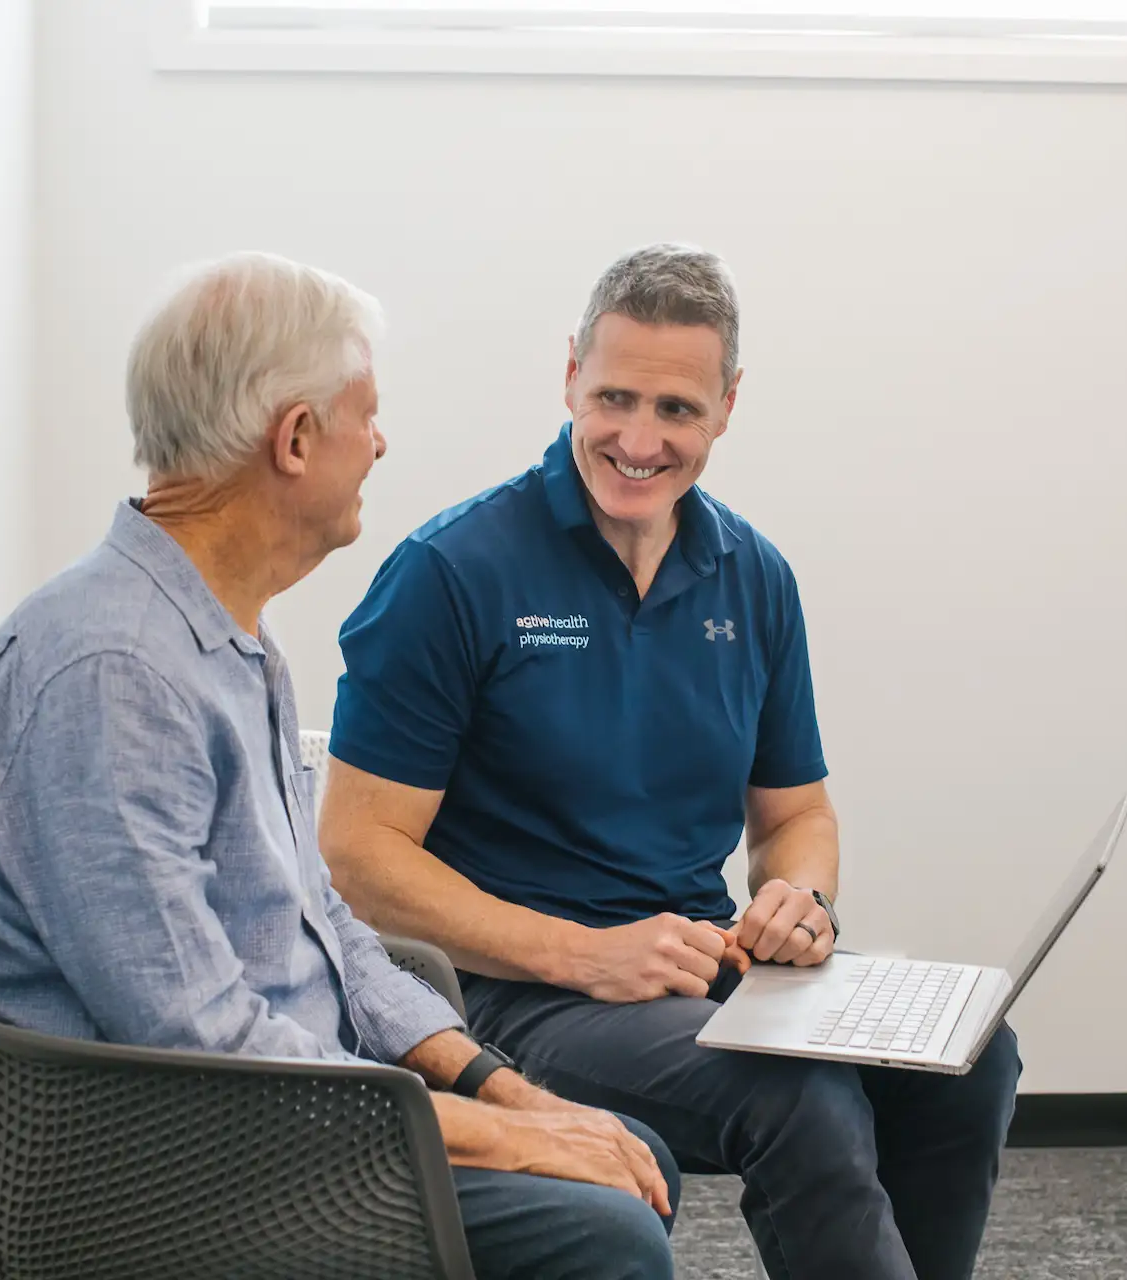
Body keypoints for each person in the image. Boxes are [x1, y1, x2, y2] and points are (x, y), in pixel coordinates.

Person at [0, 252, 680, 1280]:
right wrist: (492, 1133)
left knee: (631, 1158)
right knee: (607, 1227)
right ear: (293, 438)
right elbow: (197, 1040)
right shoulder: (112, 675)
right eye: (364, 415)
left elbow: (325, 928)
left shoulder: (224, 639)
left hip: (287, 1119)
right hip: (175, 1173)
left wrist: (500, 1087)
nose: (379, 442)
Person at [320, 244, 1020, 1280]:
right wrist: (580, 954)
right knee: (802, 1096)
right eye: (613, 397)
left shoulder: (753, 576)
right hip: (519, 996)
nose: (638, 440)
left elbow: (795, 813)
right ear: (569, 375)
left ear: (728, 405)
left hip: (705, 972)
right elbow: (357, 852)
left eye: (677, 410)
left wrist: (801, 896)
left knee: (970, 1056)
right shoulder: (449, 572)